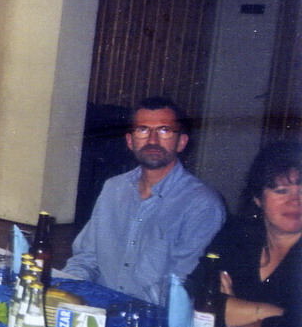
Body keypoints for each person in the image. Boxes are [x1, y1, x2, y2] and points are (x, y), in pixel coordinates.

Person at [63, 97, 226, 302]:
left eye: (164, 130)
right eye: (143, 130)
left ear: (181, 142)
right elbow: (86, 258)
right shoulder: (114, 188)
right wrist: (64, 292)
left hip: (152, 314)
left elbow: (181, 287)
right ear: (130, 141)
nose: (152, 140)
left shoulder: (202, 204)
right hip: (97, 305)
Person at [194, 141, 302, 327]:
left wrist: (236, 314)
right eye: (281, 191)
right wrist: (276, 313)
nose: (295, 202)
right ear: (258, 199)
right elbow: (196, 291)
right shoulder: (238, 233)